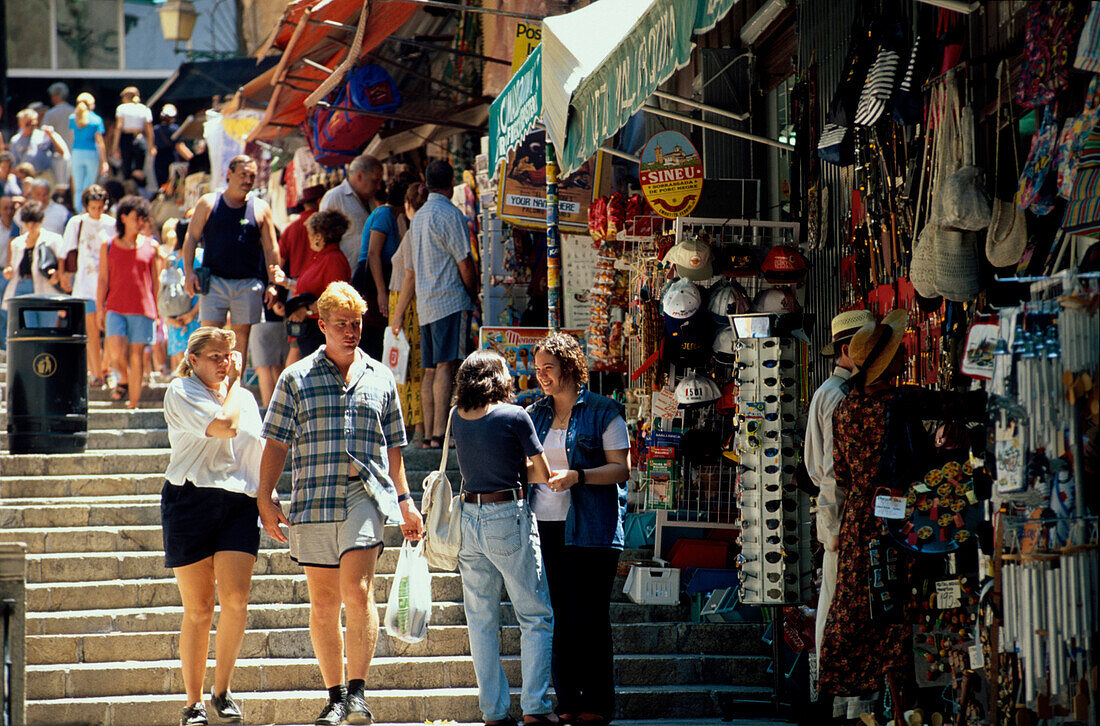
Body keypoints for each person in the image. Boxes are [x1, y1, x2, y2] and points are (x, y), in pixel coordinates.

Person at [257, 281, 423, 726]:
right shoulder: (296, 378)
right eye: (342, 324)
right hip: (313, 497)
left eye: (357, 324)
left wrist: (405, 502)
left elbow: (394, 450)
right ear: (323, 324)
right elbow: (275, 444)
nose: (351, 331)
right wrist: (265, 496)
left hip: (364, 495)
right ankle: (333, 696)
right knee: (324, 603)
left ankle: (358, 693)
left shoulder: (380, 376)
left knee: (358, 590)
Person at [820, 311, 985, 704]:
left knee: (871, 603)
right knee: (907, 598)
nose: (903, 353)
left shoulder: (844, 410)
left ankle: (878, 690)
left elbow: (839, 472)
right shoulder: (900, 400)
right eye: (896, 352)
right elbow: (954, 404)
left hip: (861, 516)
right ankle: (912, 696)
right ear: (886, 363)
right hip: (900, 513)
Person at [449, 348, 557, 726]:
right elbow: (541, 472)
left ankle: (494, 712)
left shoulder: (457, 417)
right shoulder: (515, 415)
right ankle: (536, 708)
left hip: (468, 521)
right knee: (535, 616)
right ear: (499, 377)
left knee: (481, 622)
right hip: (506, 516)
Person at [527, 332, 630, 726]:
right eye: (538, 370)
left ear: (569, 367)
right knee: (556, 616)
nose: (542, 377)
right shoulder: (534, 413)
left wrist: (579, 476)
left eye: (548, 368)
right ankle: (566, 700)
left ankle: (597, 704)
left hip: (591, 528)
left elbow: (621, 469)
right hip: (544, 528)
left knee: (589, 616)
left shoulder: (604, 411)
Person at [162, 326, 263, 726]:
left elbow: (254, 446)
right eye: (216, 356)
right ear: (195, 360)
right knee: (200, 609)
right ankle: (193, 702)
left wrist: (265, 496)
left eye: (229, 355)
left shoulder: (245, 398)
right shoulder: (181, 391)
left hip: (238, 501)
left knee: (236, 600)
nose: (225, 363)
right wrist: (236, 384)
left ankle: (222, 690)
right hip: (190, 500)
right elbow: (226, 427)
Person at [390, 160, 478, 449]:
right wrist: (473, 292)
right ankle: (442, 433)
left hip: (426, 305)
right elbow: (465, 262)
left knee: (431, 369)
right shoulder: (450, 214)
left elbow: (411, 272)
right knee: (445, 367)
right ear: (451, 183)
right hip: (449, 301)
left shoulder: (420, 217)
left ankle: (429, 436)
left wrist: (400, 313)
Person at [182, 155, 280, 358]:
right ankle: (208, 389)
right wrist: (189, 273)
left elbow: (271, 248)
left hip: (247, 283)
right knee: (209, 339)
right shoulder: (208, 202)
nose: (247, 180)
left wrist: (273, 283)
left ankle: (234, 388)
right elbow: (191, 238)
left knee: (239, 343)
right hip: (214, 281)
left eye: (252, 176)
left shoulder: (260, 208)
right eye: (243, 174)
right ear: (229, 173)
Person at [97, 195, 158, 409]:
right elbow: (103, 279)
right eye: (136, 218)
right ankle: (123, 378)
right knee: (115, 350)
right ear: (123, 217)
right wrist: (99, 310)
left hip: (143, 307)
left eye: (143, 218)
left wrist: (157, 313)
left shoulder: (152, 246)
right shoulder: (109, 245)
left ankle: (134, 402)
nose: (141, 223)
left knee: (137, 356)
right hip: (115, 306)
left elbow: (156, 283)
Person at [277, 209, 352, 358]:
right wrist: (286, 283)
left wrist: (307, 310)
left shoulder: (333, 259)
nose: (309, 238)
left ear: (319, 237)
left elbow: (335, 298)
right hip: (312, 331)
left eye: (310, 234)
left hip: (320, 333)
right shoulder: (322, 258)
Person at [62, 184, 116, 385]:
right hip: (85, 284)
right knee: (92, 331)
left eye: (100, 207)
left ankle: (107, 366)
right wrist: (63, 275)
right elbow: (65, 251)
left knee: (110, 330)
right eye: (93, 207)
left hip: (109, 284)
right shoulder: (77, 222)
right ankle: (97, 373)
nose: (96, 211)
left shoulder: (112, 224)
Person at [387, 182, 428, 445]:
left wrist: (398, 313)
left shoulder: (415, 232)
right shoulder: (413, 230)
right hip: (404, 302)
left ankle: (418, 429)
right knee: (407, 369)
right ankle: (414, 427)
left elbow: (410, 277)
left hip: (406, 303)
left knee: (410, 368)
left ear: (408, 204)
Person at [353, 177, 408, 359]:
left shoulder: (395, 216)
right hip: (370, 279)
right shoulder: (384, 213)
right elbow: (373, 254)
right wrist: (381, 291)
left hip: (380, 277)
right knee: (372, 338)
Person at [278, 184, 323, 368]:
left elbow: (279, 264)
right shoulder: (321, 225)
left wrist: (278, 297)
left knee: (296, 346)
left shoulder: (291, 229)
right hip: (312, 288)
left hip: (294, 291)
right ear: (320, 201)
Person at [1, 200, 66, 327]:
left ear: (41, 221)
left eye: (35, 222)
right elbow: (13, 267)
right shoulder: (17, 243)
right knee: (29, 327)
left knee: (46, 330)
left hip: (45, 288)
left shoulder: (53, 240)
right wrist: (8, 271)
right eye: (27, 222)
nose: (31, 226)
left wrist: (56, 274)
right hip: (22, 287)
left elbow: (62, 264)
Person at [319, 154, 382, 268]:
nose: (378, 187)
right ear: (359, 176)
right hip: (347, 273)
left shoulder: (371, 200)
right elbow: (323, 242)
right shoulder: (334, 197)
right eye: (375, 181)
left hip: (370, 272)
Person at [163, 218, 202, 374]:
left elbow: (163, 291)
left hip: (176, 316)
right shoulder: (202, 256)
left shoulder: (171, 259)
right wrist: (192, 314)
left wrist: (168, 318)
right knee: (199, 363)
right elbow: (207, 290)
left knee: (181, 368)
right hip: (198, 315)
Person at [68, 93, 109, 212]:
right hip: (91, 153)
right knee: (89, 184)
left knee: (78, 186)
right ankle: (87, 209)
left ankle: (78, 210)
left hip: (77, 153)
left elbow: (71, 137)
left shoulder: (73, 118)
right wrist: (104, 161)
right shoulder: (96, 119)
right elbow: (100, 142)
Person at [9, 108, 69, 181]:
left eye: (33, 124)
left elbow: (61, 152)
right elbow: (13, 166)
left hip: (44, 175)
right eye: (27, 124)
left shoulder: (44, 135)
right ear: (20, 124)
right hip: (26, 178)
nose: (31, 127)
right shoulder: (15, 140)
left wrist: (52, 135)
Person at [111, 87, 154, 182]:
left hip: (126, 139)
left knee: (127, 167)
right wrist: (151, 145)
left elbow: (118, 127)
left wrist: (115, 147)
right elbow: (149, 130)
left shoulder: (122, 108)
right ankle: (138, 190)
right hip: (140, 138)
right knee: (139, 169)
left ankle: (128, 190)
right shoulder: (144, 108)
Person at [43, 82, 75, 191]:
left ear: (55, 96)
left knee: (60, 188)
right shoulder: (75, 112)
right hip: (74, 153)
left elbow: (44, 136)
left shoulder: (50, 114)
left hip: (58, 157)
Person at [153, 104, 193, 188]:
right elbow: (180, 147)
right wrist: (194, 160)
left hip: (159, 160)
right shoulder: (174, 128)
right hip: (170, 159)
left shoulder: (156, 129)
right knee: (172, 185)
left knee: (162, 186)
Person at [0, 196, 19, 349]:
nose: (8, 211)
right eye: (5, 208)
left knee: (7, 313)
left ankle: (7, 348)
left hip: (11, 276)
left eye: (11, 208)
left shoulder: (19, 228)